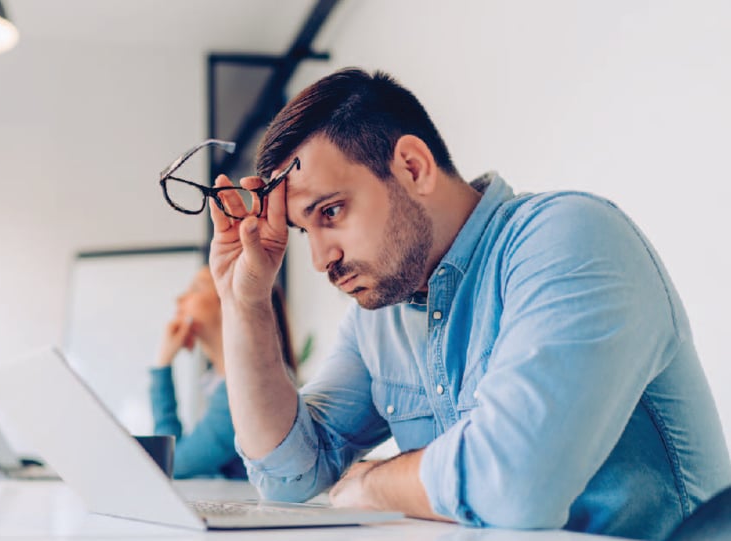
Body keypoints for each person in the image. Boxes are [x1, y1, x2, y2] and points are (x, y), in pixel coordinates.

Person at [201, 68, 731, 540]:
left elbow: (515, 486)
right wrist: (244, 302)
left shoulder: (570, 237)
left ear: (412, 167)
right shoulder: (380, 317)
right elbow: (288, 476)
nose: (320, 258)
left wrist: (373, 481)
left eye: (332, 212)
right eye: (303, 230)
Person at [148, 266, 297, 479]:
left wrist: (162, 366)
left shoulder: (250, 388)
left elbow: (171, 464)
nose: (180, 298)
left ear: (230, 303)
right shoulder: (219, 383)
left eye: (197, 288)